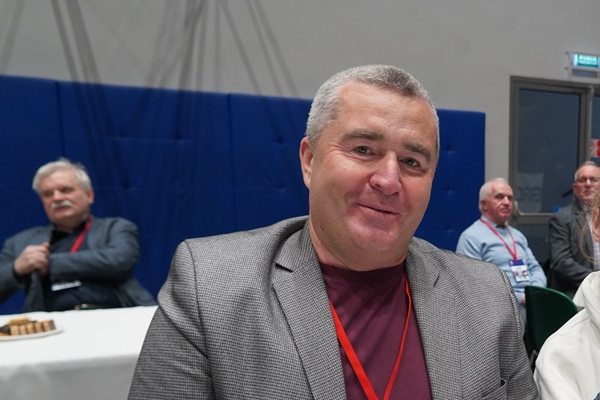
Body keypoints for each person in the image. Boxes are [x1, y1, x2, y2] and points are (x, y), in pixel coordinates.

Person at [129, 65, 539, 399]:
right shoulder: (211, 289)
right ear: (309, 161)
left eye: (412, 162)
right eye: (363, 150)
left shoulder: (487, 297)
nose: (389, 180)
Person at [0, 158, 156, 312]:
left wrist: (50, 264)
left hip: (117, 316)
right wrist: (16, 269)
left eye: (65, 190)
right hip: (51, 323)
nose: (57, 198)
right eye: (48, 194)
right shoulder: (20, 243)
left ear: (89, 195)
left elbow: (120, 260)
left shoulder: (115, 228)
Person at [456, 178, 547, 320]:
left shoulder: (518, 235)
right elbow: (472, 284)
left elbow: (535, 268)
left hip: (530, 303)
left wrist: (534, 293)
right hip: (497, 309)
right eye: (499, 197)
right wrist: (519, 298)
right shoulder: (471, 237)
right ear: (484, 204)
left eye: (510, 198)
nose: (507, 202)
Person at [548, 161, 600, 298]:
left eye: (593, 180)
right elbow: (561, 263)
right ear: (575, 188)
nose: (588, 184)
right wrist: (595, 281)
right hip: (576, 292)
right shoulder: (561, 219)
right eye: (582, 180)